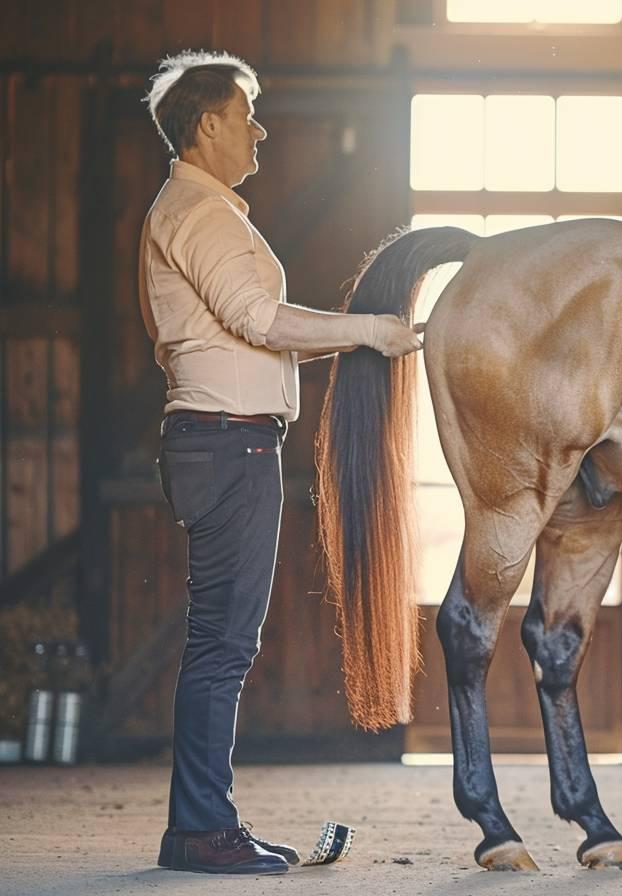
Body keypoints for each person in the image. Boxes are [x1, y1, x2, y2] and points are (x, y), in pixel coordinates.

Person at [139, 50, 422, 875]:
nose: (259, 130)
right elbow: (258, 317)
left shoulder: (204, 211)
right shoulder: (199, 214)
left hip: (226, 440)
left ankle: (201, 823)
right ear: (208, 125)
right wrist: (368, 332)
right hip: (227, 440)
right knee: (222, 647)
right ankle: (200, 831)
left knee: (221, 642)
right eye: (247, 114)